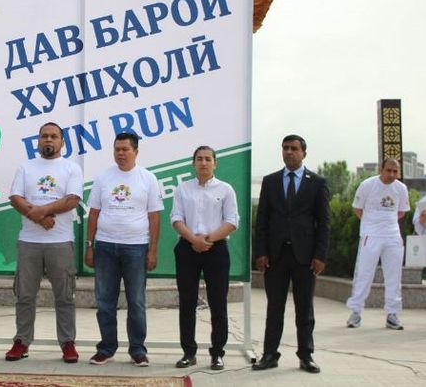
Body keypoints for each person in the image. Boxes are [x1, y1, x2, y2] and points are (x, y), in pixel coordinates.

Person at [5, 122, 83, 364]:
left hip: (60, 241)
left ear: (62, 142)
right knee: (25, 295)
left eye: (54, 136)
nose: (48, 140)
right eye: (44, 136)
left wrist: (41, 212)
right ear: (37, 141)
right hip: (29, 241)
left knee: (65, 296)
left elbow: (72, 200)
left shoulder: (71, 168)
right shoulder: (26, 167)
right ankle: (22, 341)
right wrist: (36, 216)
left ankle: (68, 342)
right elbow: (15, 198)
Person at [85, 132, 163, 367]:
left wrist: (153, 250)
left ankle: (137, 349)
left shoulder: (148, 178)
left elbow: (154, 217)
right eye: (117, 149)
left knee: (136, 301)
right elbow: (94, 214)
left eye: (125, 149)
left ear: (136, 152)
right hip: (106, 246)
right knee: (105, 301)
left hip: (137, 248)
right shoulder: (103, 178)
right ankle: (106, 348)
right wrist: (90, 246)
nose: (120, 153)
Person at [253, 134, 329, 374]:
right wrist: (261, 252)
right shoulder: (271, 181)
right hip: (275, 256)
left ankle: (306, 356)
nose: (288, 152)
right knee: (274, 307)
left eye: (293, 149)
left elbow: (324, 223)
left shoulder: (316, 182)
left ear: (303, 153)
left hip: (305, 256)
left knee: (304, 308)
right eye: (285, 148)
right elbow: (262, 220)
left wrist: (320, 256)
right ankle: (269, 354)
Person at [171, 145, 238, 371]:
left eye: (208, 159)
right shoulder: (183, 188)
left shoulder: (226, 189)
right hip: (187, 248)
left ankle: (217, 352)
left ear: (215, 163)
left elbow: (231, 221)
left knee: (218, 303)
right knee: (187, 303)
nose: (203, 163)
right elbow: (176, 219)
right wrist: (193, 240)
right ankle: (188, 352)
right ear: (193, 163)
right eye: (199, 159)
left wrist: (207, 240)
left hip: (216, 249)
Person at [346, 159, 410, 330]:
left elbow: (401, 212)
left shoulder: (401, 188)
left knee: (394, 275)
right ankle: (356, 312)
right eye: (388, 170)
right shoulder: (368, 185)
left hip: (392, 236)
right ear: (381, 169)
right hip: (371, 235)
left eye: (395, 172)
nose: (391, 174)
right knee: (364, 273)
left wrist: (386, 224)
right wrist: (372, 223)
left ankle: (392, 314)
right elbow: (357, 209)